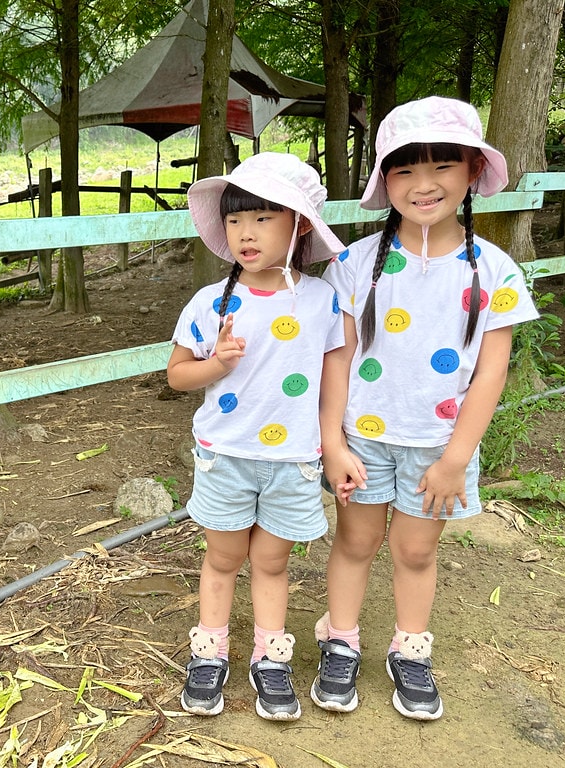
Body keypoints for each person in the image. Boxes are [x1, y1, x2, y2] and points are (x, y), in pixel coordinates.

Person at [312, 96, 539, 721]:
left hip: (438, 447)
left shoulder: (495, 270)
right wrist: (333, 442)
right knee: (355, 543)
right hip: (362, 440)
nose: (424, 183)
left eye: (442, 165)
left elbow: (492, 373)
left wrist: (454, 459)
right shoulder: (355, 264)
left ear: (471, 172)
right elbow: (337, 358)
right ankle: (342, 640)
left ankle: (410, 650)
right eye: (405, 169)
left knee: (415, 551)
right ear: (385, 182)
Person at [169, 152, 346, 720]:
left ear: (299, 226)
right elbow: (177, 376)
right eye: (236, 219)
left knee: (272, 563)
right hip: (226, 457)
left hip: (293, 461)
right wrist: (216, 364)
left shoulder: (323, 301)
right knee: (222, 559)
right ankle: (210, 649)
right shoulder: (211, 302)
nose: (246, 231)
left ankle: (270, 657)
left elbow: (332, 384)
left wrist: (333, 446)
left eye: (264, 217)